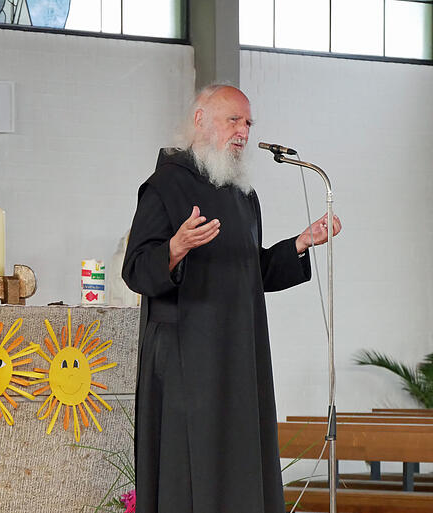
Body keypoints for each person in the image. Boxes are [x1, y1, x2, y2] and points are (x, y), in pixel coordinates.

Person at [122, 84, 341, 513]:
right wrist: (175, 248)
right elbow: (135, 269)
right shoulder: (165, 185)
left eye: (247, 123)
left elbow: (249, 271)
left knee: (239, 463)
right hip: (187, 357)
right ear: (200, 120)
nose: (243, 131)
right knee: (191, 465)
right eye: (233, 120)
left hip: (239, 353)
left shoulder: (243, 196)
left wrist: (299, 243)